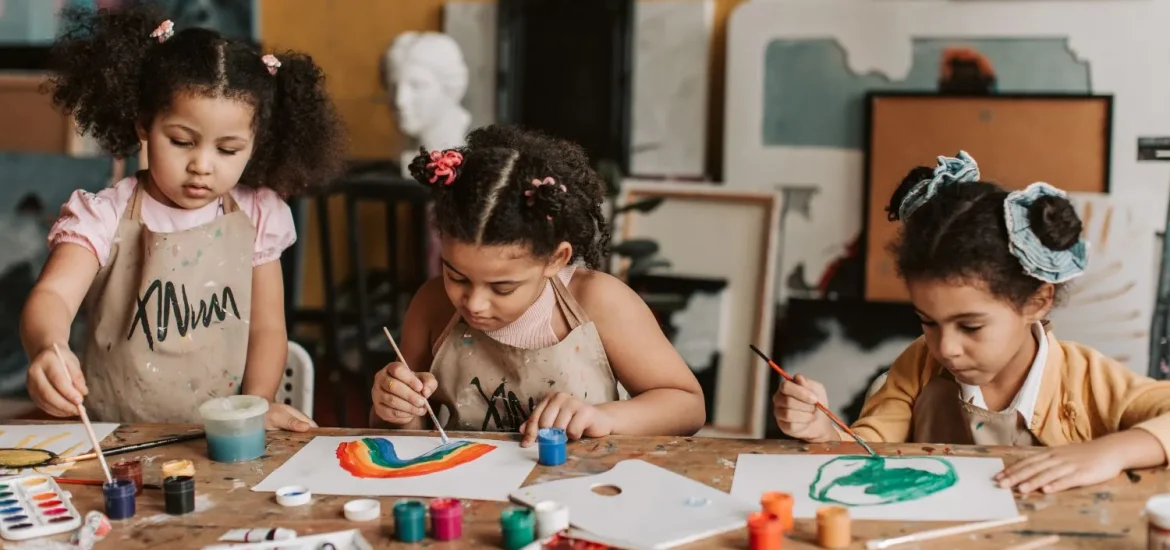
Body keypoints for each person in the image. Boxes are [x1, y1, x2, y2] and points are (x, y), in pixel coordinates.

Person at [20, 3, 345, 430]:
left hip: (219, 440)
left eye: (228, 150)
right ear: (144, 126)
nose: (203, 166)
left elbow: (266, 329)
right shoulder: (104, 215)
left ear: (255, 144)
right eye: (181, 141)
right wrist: (48, 347)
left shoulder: (257, 217)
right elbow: (54, 296)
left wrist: (257, 405)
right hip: (115, 437)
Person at [773, 151, 1170, 494]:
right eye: (928, 322)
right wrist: (821, 429)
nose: (945, 348)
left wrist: (1108, 452)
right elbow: (868, 446)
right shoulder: (918, 366)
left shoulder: (1086, 378)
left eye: (971, 327)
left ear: (1037, 300)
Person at [369, 124, 705, 446]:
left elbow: (687, 406)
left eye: (502, 287)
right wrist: (395, 409)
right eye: (456, 277)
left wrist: (605, 418)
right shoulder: (432, 305)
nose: (474, 303)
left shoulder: (599, 302)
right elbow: (405, 434)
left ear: (555, 260)